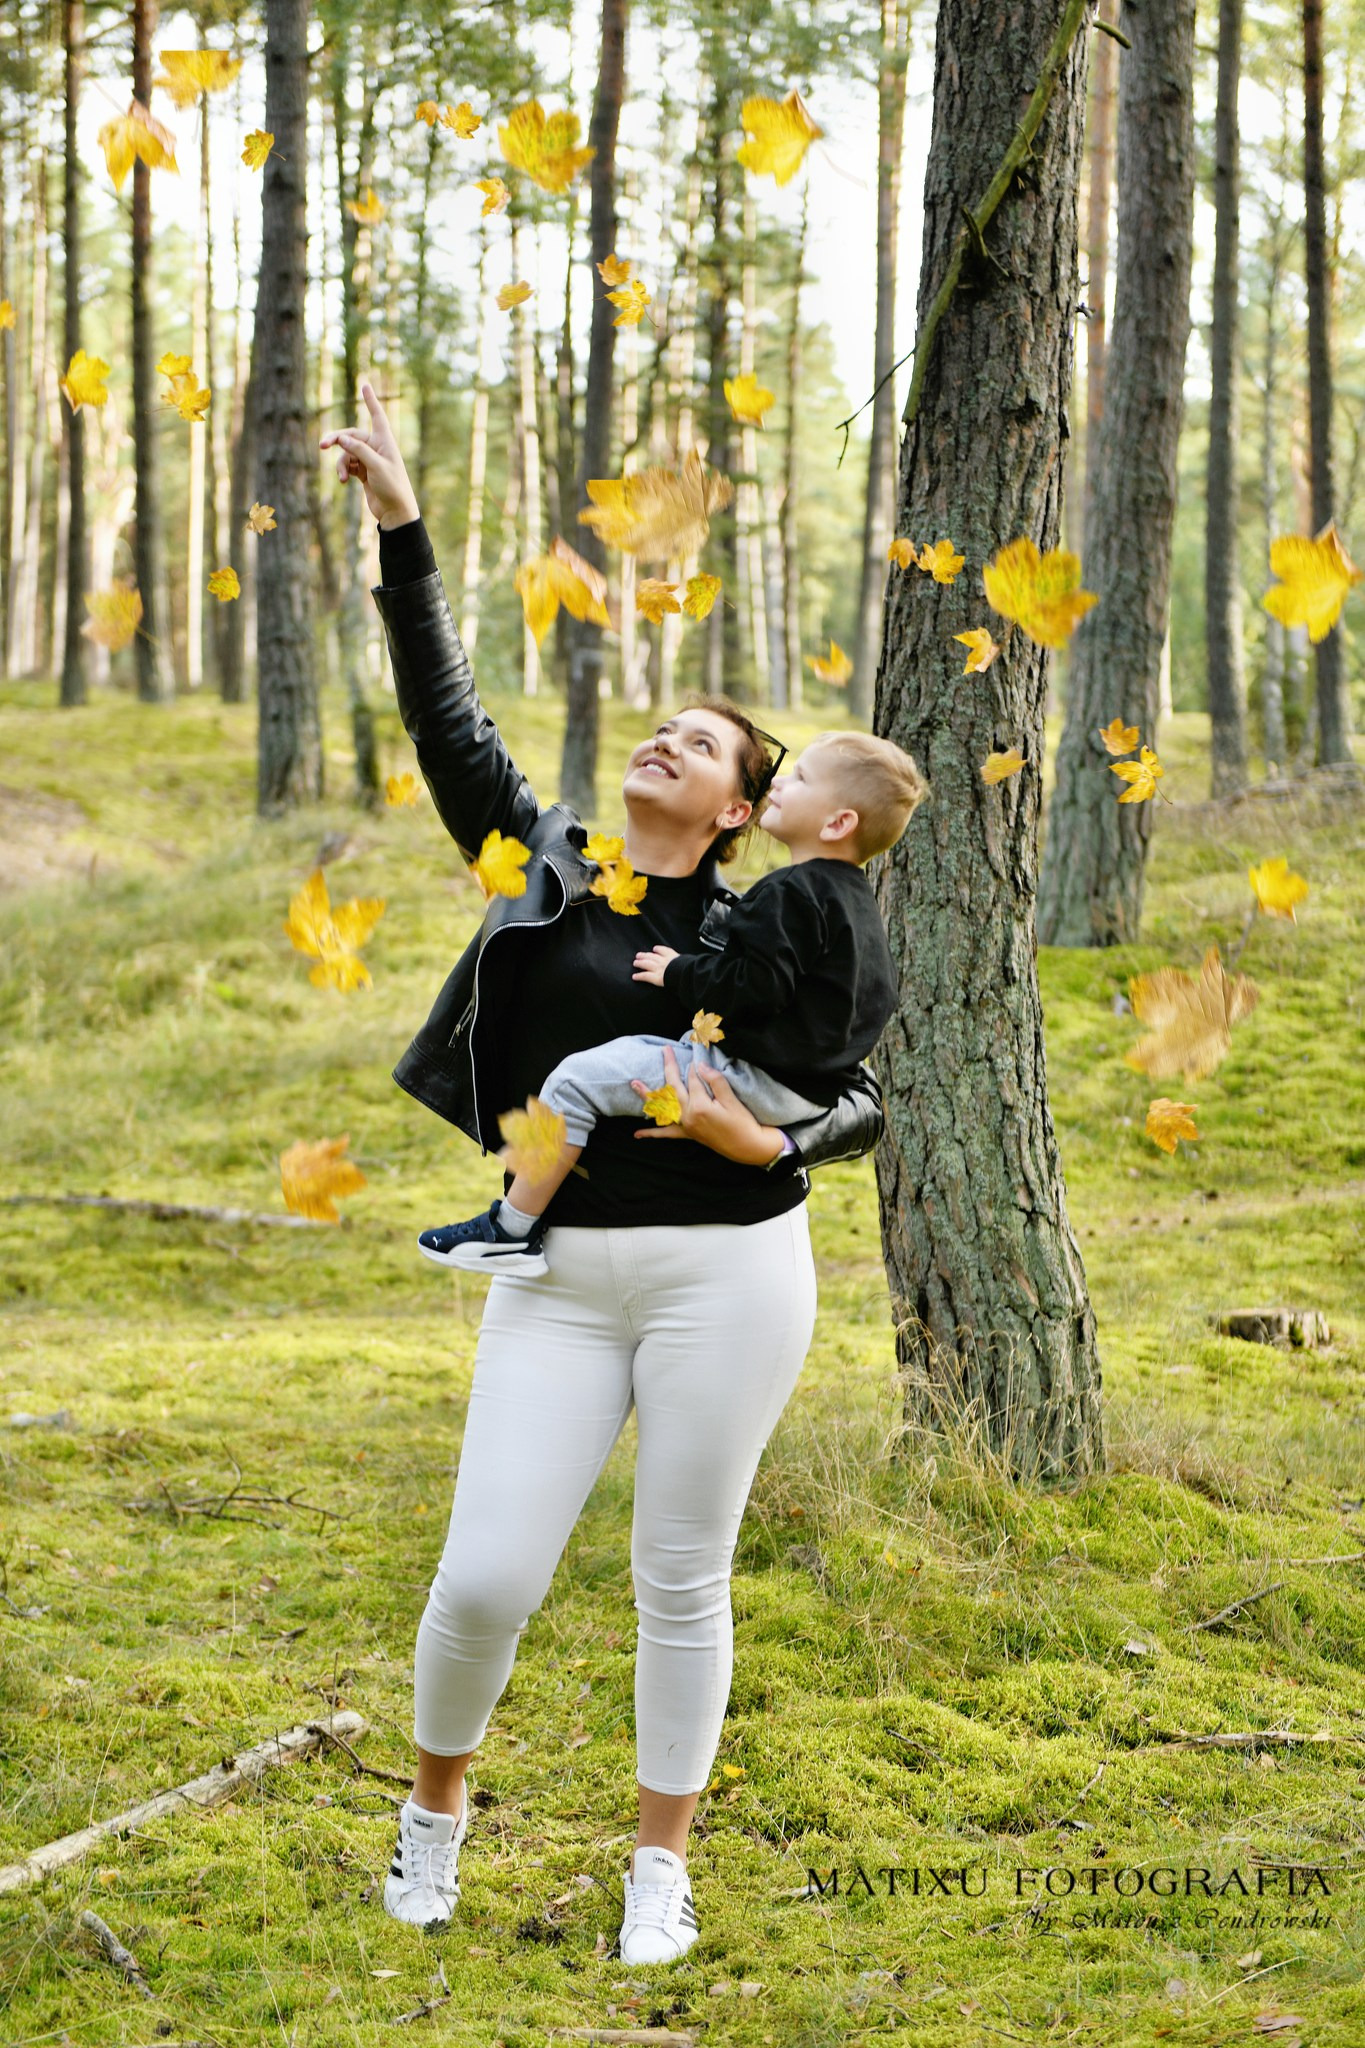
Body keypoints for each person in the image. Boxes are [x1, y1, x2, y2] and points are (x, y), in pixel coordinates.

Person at [321, 383, 895, 1964]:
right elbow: (451, 724)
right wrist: (402, 531)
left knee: (679, 1578)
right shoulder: (543, 867)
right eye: (661, 725)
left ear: (735, 809)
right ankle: (432, 1817)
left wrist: (768, 1139)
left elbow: (859, 1084)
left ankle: (659, 1865)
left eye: (701, 744)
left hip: (732, 1274)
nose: (665, 740)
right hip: (560, 1283)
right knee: (486, 1576)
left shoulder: (771, 923)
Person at [414, 729, 927, 1276]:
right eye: (664, 731)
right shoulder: (858, 909)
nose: (782, 782)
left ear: (836, 822)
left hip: (749, 1088)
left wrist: (680, 971)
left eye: (799, 778)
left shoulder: (788, 894)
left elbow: (756, 988)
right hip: (809, 1095)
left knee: (573, 1083)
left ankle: (511, 1228)